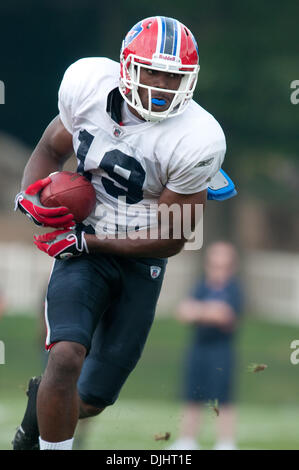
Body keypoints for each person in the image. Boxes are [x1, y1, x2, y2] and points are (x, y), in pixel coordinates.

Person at [12, 16, 230, 450]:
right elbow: (51, 147)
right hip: (84, 247)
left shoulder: (198, 138)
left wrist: (89, 241)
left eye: (174, 76)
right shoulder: (88, 86)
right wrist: (31, 195)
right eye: (153, 71)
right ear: (126, 66)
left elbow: (174, 236)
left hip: (141, 257)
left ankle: (33, 419)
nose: (163, 84)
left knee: (91, 399)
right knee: (66, 355)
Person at [167, 241, 243, 451]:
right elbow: (183, 311)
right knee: (193, 395)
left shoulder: (234, 289)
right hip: (198, 348)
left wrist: (199, 311)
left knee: (222, 398)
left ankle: (226, 442)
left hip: (221, 351)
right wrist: (208, 310)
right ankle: (187, 440)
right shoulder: (201, 286)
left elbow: (225, 315)